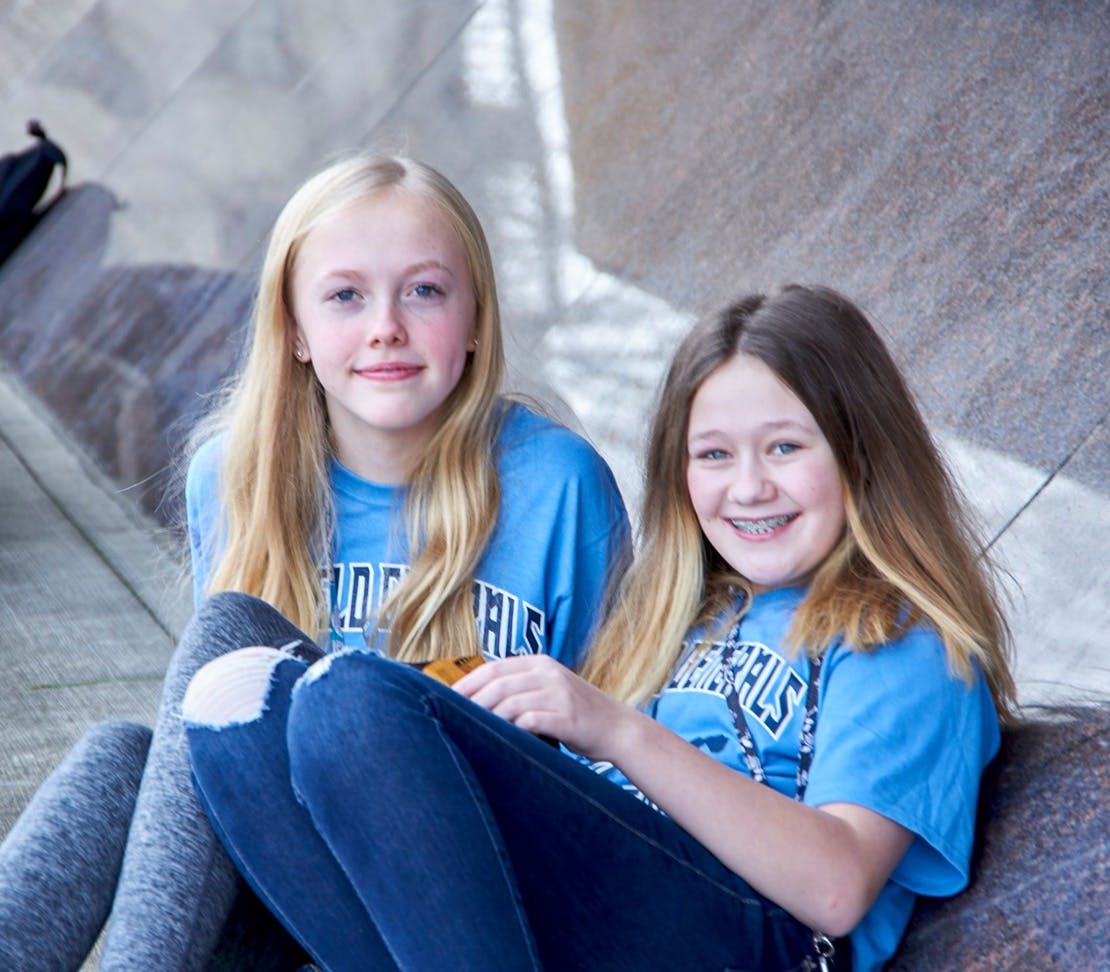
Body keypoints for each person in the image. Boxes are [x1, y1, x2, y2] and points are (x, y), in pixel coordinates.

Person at [183, 284, 1017, 972]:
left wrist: (613, 727)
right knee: (239, 702)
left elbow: (837, 885)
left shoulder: (902, 636)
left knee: (350, 700)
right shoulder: (683, 613)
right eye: (715, 455)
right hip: (598, 917)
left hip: (757, 940)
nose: (750, 487)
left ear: (862, 454)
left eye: (787, 447)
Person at [0, 153, 630, 972]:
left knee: (230, 634)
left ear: (477, 318)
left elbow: (613, 766)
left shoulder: (558, 485)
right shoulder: (235, 478)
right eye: (344, 296)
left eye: (425, 291)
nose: (386, 327)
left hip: (477, 895)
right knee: (123, 757)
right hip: (299, 884)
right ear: (293, 328)